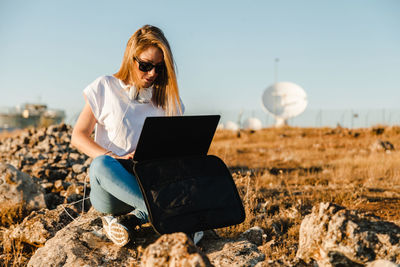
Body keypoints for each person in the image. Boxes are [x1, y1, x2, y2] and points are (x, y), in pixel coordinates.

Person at [71, 25, 201, 247]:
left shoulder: (170, 101)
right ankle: (174, 217)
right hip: (113, 186)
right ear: (130, 59)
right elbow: (78, 136)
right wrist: (116, 158)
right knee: (100, 165)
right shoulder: (105, 86)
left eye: (159, 68)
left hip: (152, 182)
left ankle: (136, 218)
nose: (152, 74)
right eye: (145, 66)